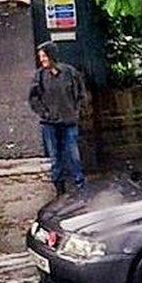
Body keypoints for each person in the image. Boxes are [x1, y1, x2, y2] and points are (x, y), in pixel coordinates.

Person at [28, 41, 86, 195]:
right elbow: (33, 98)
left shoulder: (70, 72)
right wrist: (44, 113)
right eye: (40, 57)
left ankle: (80, 185)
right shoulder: (39, 76)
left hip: (69, 122)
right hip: (50, 124)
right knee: (55, 157)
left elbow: (81, 94)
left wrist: (76, 112)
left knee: (73, 154)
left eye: (44, 56)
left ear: (52, 56)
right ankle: (59, 189)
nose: (42, 60)